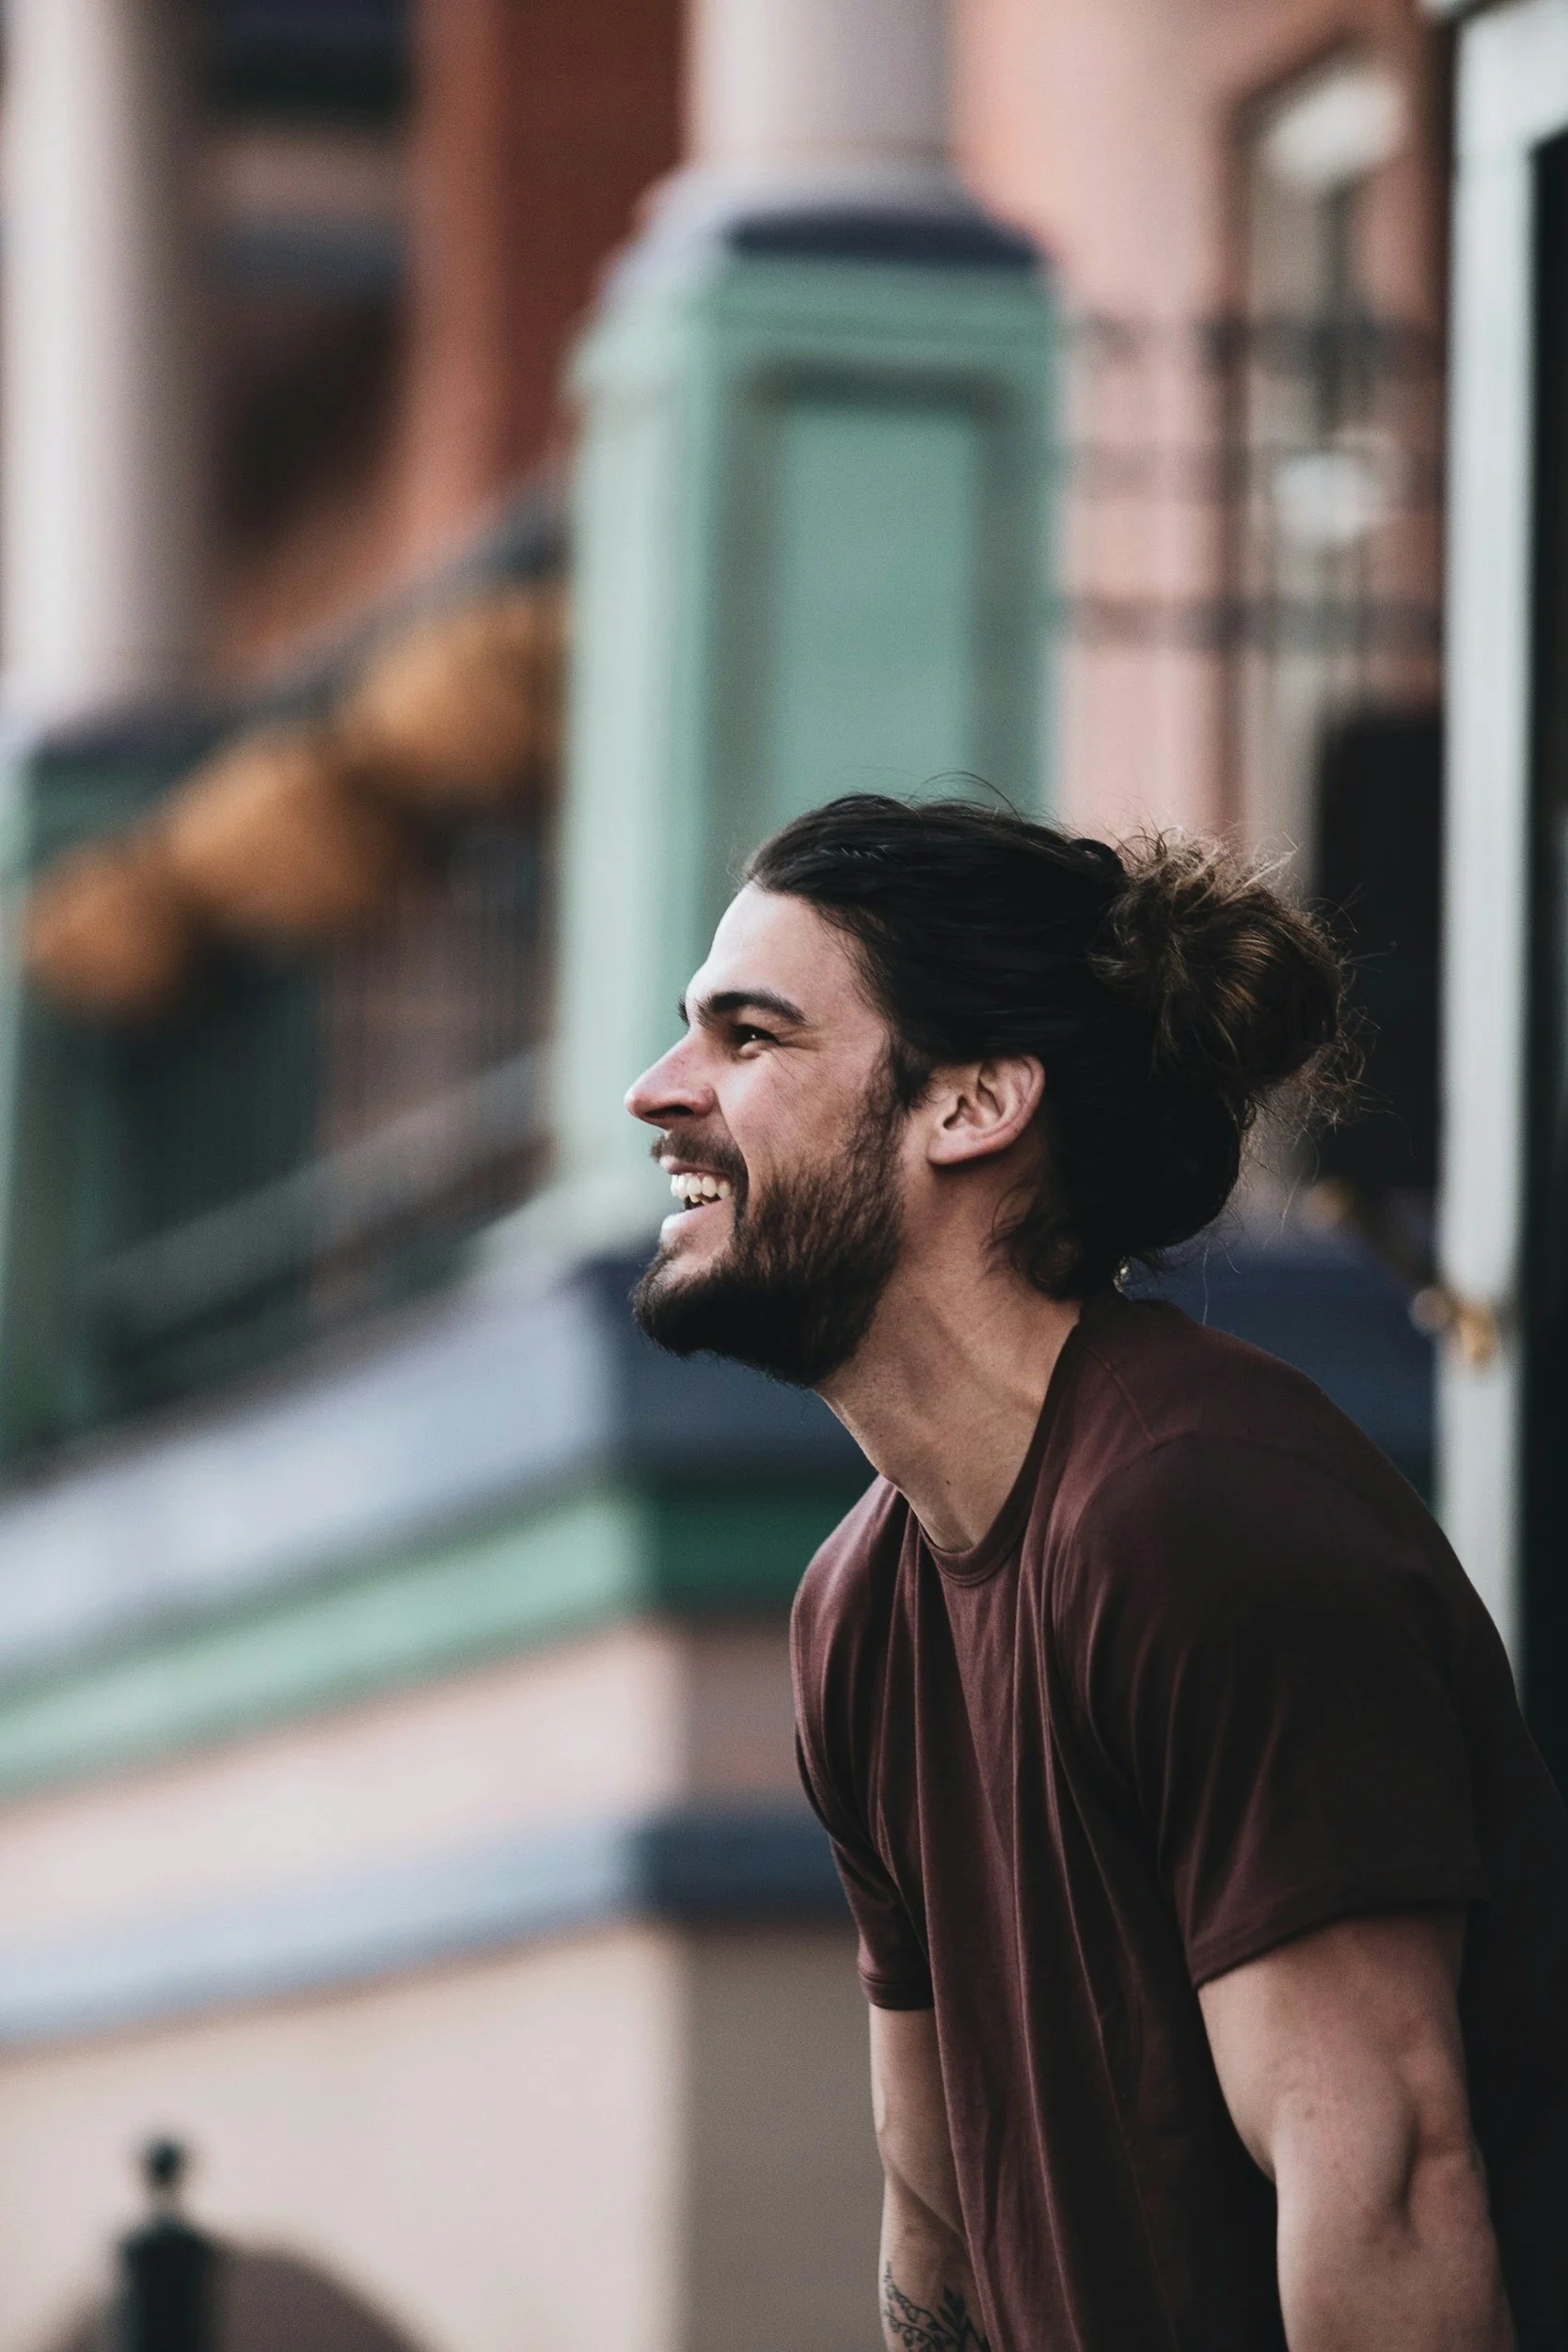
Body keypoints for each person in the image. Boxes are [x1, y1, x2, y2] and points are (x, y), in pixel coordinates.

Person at [624, 792, 1568, 2352]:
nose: (660, 1093)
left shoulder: (1201, 1516)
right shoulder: (857, 1606)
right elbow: (934, 2224)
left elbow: (1384, 2190)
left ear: (973, 1103)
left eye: (749, 1036)